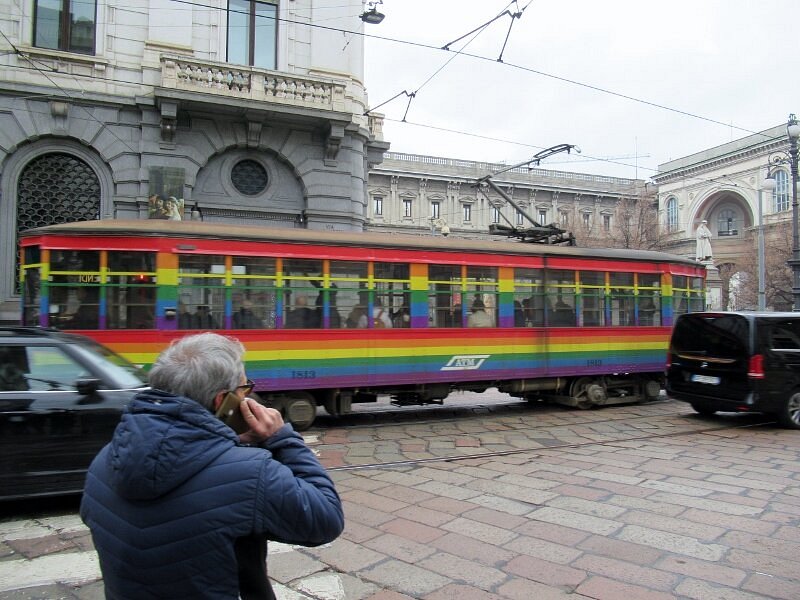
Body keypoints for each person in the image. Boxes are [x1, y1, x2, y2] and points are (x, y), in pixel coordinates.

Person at [80, 333, 344, 600]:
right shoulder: (251, 474)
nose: (248, 398)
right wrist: (282, 439)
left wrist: (223, 443)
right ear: (222, 402)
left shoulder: (103, 462)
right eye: (244, 390)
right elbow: (326, 519)